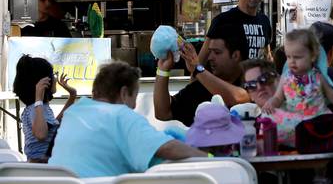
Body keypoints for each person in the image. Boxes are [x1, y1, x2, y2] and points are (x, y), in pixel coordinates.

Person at [49, 61, 205, 178]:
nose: (135, 105)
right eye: (134, 97)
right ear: (124, 93)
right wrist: (211, 158)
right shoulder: (120, 115)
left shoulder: (73, 112)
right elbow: (168, 148)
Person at [262, 29, 333, 147]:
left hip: (316, 118)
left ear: (312, 56)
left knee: (330, 119)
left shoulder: (318, 76)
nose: (292, 62)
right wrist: (271, 103)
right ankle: (293, 139)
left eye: (297, 57)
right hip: (293, 119)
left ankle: (303, 138)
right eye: (289, 57)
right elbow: (278, 98)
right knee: (267, 116)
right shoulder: (285, 78)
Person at [154, 22, 250, 126]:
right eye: (210, 52)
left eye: (217, 52)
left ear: (235, 55)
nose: (210, 58)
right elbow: (163, 113)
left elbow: (237, 98)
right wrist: (162, 71)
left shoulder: (253, 81)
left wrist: (197, 69)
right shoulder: (201, 88)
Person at [12, 55, 77, 162]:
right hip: (42, 166)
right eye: (53, 74)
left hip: (46, 164)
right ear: (43, 82)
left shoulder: (38, 107)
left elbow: (54, 124)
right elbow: (41, 134)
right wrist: (38, 99)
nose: (55, 78)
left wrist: (72, 95)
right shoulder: (35, 107)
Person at [198, 0, 271, 64]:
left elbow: (267, 56)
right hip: (227, 78)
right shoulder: (223, 20)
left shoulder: (264, 21)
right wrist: (196, 75)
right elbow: (202, 59)